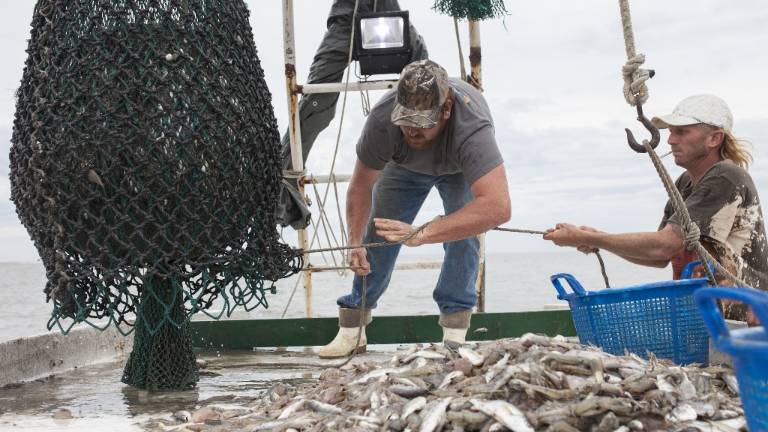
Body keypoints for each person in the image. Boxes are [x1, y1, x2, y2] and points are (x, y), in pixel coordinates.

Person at [318, 59, 511, 358]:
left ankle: (454, 334)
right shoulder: (383, 121)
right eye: (405, 121)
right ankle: (353, 330)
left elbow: (498, 207)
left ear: (446, 111)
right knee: (378, 232)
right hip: (403, 167)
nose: (412, 131)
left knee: (463, 236)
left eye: (422, 124)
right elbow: (360, 187)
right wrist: (354, 241)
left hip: (458, 168)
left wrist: (423, 233)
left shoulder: (472, 129)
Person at [544, 94, 768, 325]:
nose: (670, 140)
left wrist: (587, 237)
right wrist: (597, 239)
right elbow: (660, 257)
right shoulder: (685, 183)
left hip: (748, 319)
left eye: (681, 132)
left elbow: (664, 246)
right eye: (670, 132)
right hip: (712, 315)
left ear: (714, 138)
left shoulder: (726, 176)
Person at [276, 0, 429, 228]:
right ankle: (283, 184)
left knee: (424, 77)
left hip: (390, 12)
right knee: (316, 99)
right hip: (346, 16)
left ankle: (422, 161)